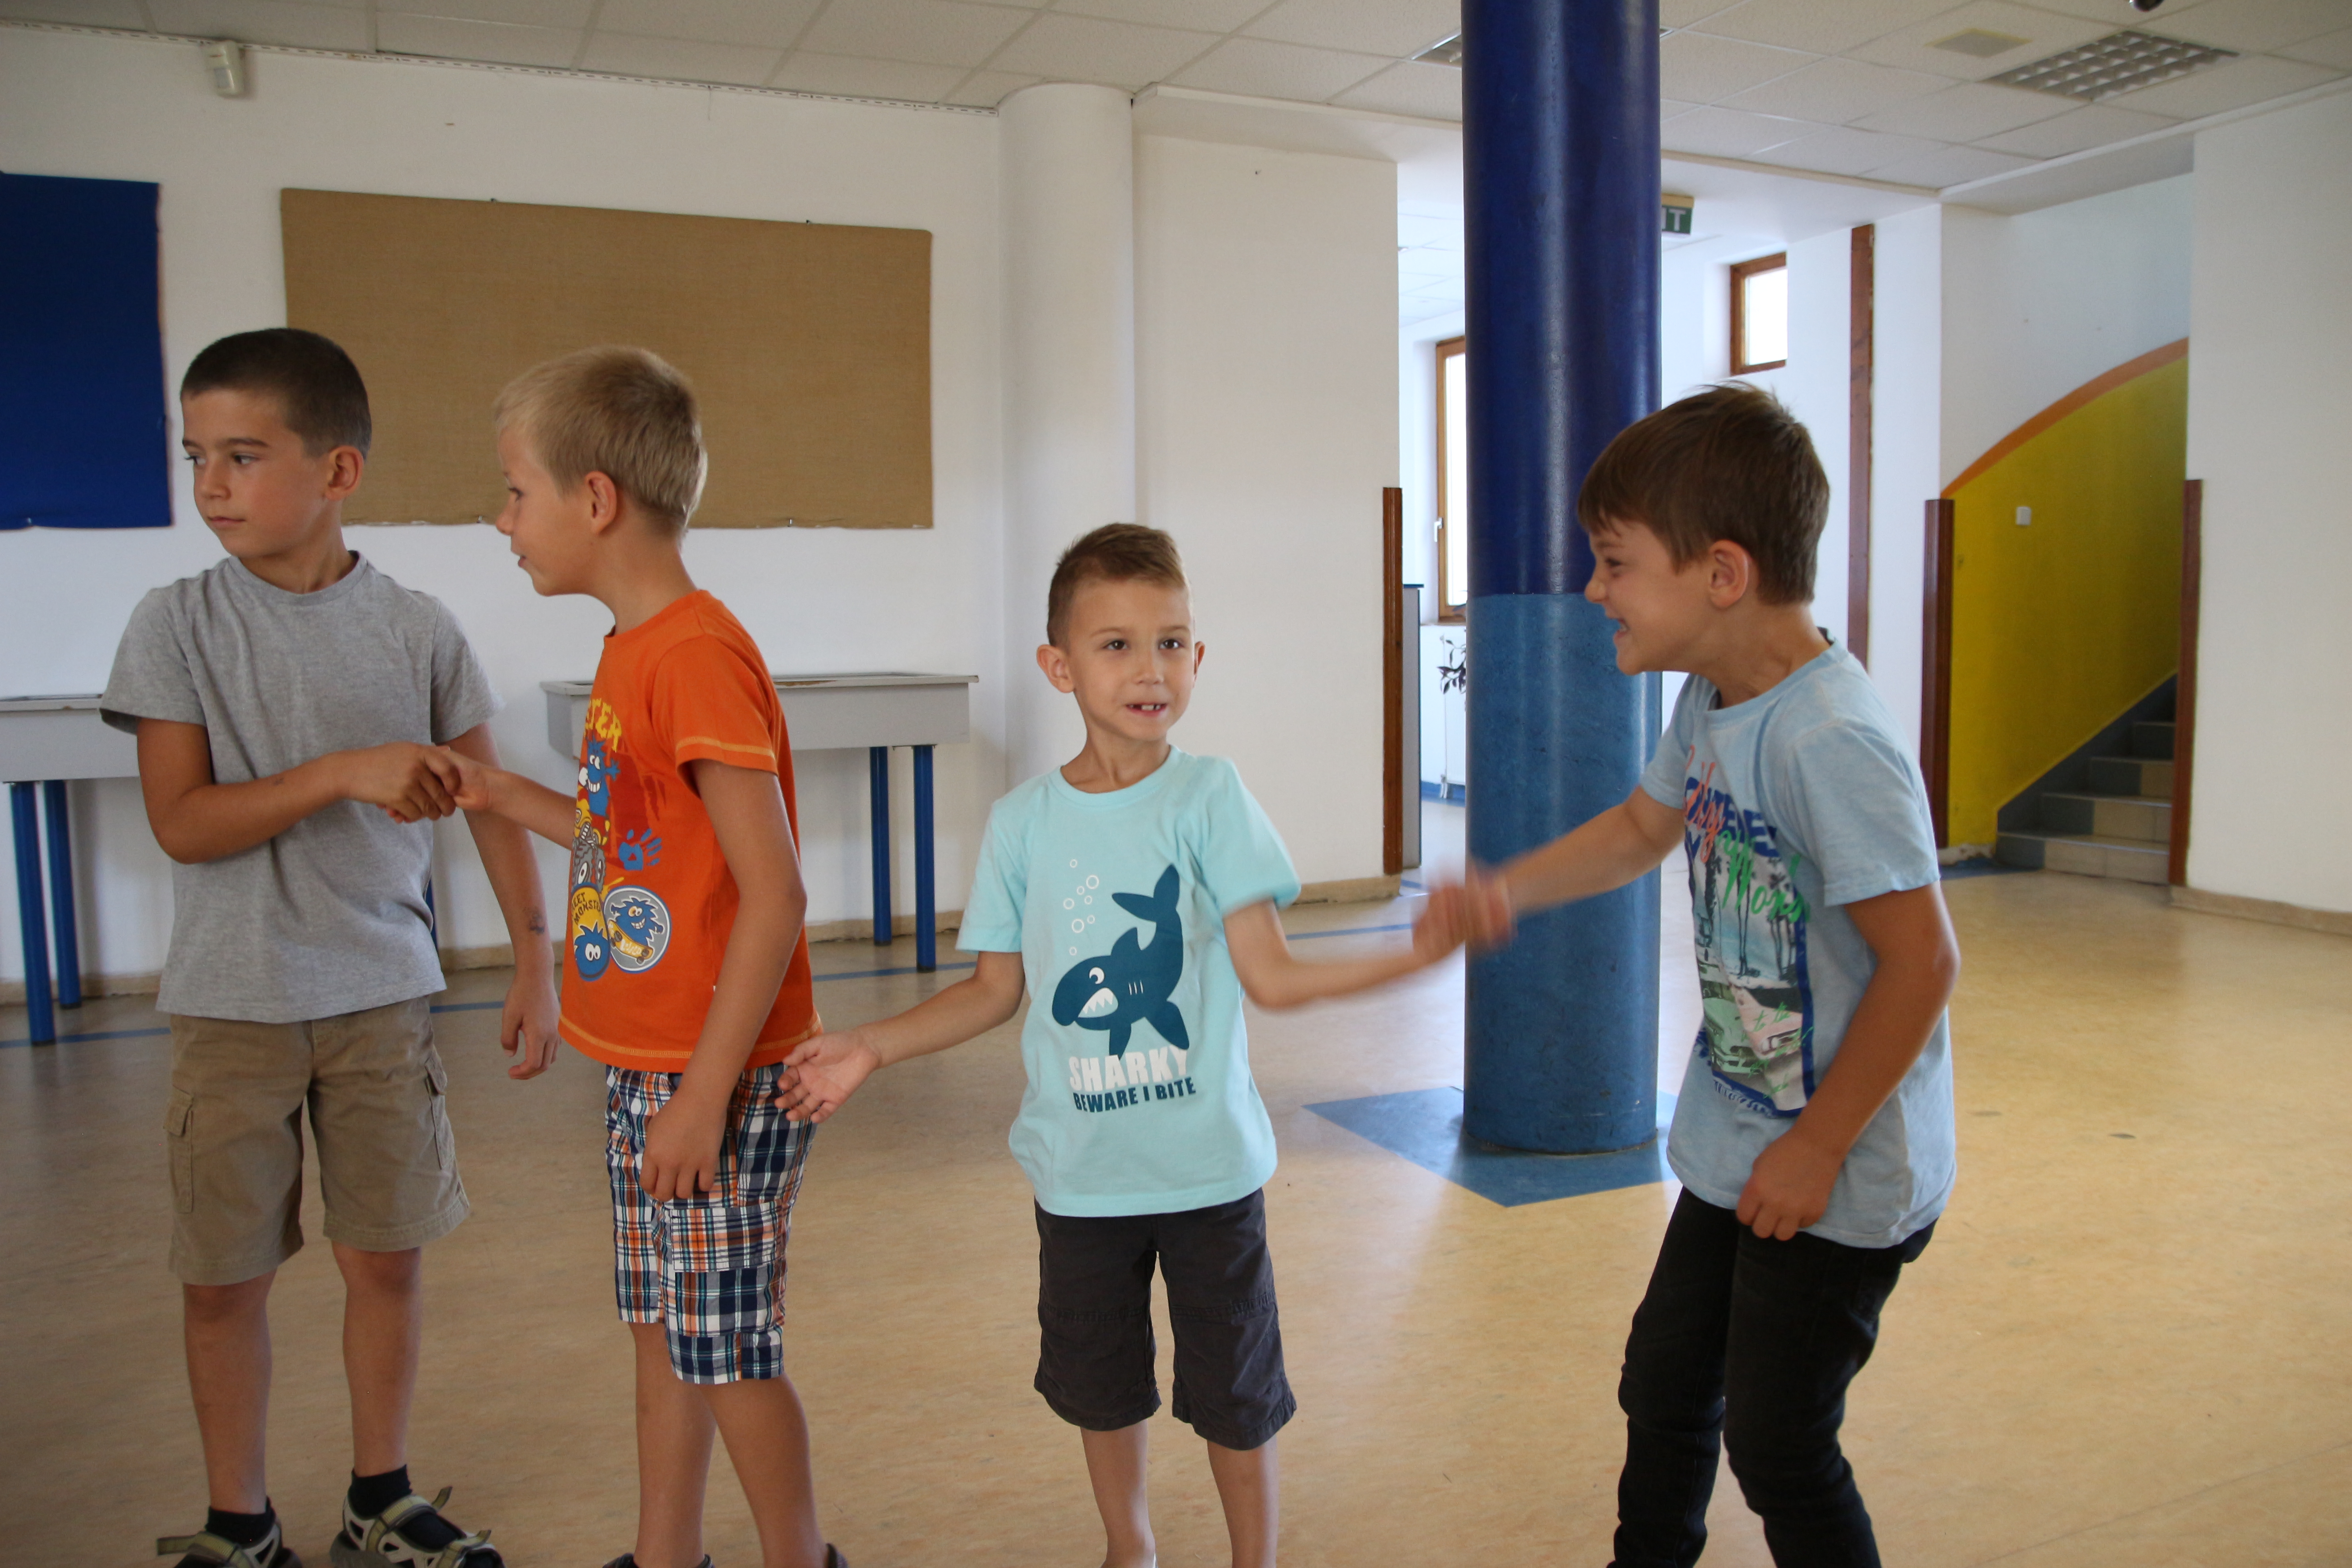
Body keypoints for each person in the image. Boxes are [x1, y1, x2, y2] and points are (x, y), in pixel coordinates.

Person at [779, 523, 1473, 1568]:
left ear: (1199, 658)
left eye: (1172, 643)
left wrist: (1411, 956)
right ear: (1059, 665)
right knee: (1100, 1387)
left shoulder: (1211, 798)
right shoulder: (1022, 823)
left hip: (1208, 1173)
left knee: (1237, 1393)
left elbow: (1273, 976)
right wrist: (870, 1046)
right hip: (1082, 1179)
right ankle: (1129, 1545)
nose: (1151, 668)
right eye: (1117, 645)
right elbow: (993, 990)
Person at [1465, 385, 1961, 1567]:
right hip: (1743, 1132)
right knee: (1666, 1383)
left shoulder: (1826, 737)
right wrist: (1504, 891)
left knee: (1780, 1443)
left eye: (1615, 564)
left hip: (1840, 1169)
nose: (1595, 591)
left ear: (1723, 574)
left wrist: (1819, 1147)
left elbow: (1922, 962)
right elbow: (1643, 829)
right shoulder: (1713, 698)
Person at [103, 328, 554, 1568]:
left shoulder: (416, 629)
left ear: (338, 471)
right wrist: (342, 773)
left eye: (244, 456)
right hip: (231, 1008)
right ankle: (238, 1520)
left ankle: (381, 1495)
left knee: (386, 1263)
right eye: (198, 456)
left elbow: (490, 802)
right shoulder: (175, 625)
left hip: (382, 1002)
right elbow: (183, 823)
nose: (213, 485)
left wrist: (535, 959)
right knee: (222, 1279)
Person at [438, 345, 846, 1568]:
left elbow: (774, 894)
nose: (503, 519)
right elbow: (631, 841)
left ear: (596, 499)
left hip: (717, 1077)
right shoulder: (634, 646)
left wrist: (704, 1098)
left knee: (728, 1352)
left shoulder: (694, 657)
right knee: (664, 1331)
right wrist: (500, 793)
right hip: (655, 1070)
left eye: (516, 492)